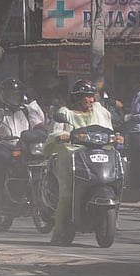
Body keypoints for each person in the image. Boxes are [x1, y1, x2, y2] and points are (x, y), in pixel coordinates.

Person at [44, 79, 115, 245]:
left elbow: (108, 129)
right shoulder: (65, 113)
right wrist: (62, 136)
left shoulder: (99, 111)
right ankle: (59, 230)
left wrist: (116, 136)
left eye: (92, 96)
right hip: (70, 158)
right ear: (77, 98)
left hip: (95, 156)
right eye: (87, 96)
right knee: (67, 193)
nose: (91, 100)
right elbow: (54, 134)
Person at [0, 77, 46, 202]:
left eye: (17, 95)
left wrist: (48, 130)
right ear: (4, 95)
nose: (15, 98)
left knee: (41, 161)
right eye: (11, 95)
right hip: (5, 145)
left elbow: (37, 124)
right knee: (2, 158)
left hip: (25, 146)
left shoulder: (26, 110)